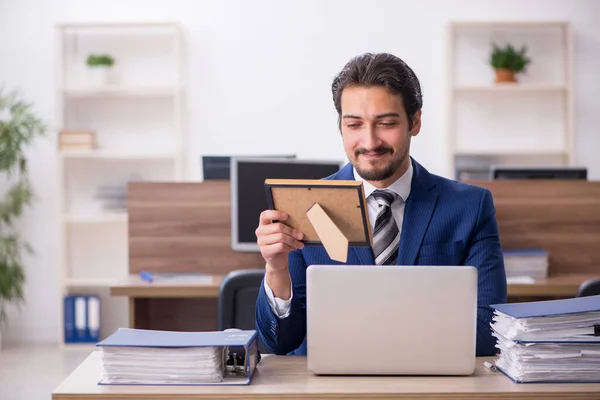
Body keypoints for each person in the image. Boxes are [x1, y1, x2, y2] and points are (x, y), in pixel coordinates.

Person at [254, 52, 507, 357]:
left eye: (386, 123)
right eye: (354, 125)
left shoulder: (470, 206)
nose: (370, 142)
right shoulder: (305, 205)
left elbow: (488, 330)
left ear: (415, 122)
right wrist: (276, 269)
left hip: (430, 384)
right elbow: (280, 343)